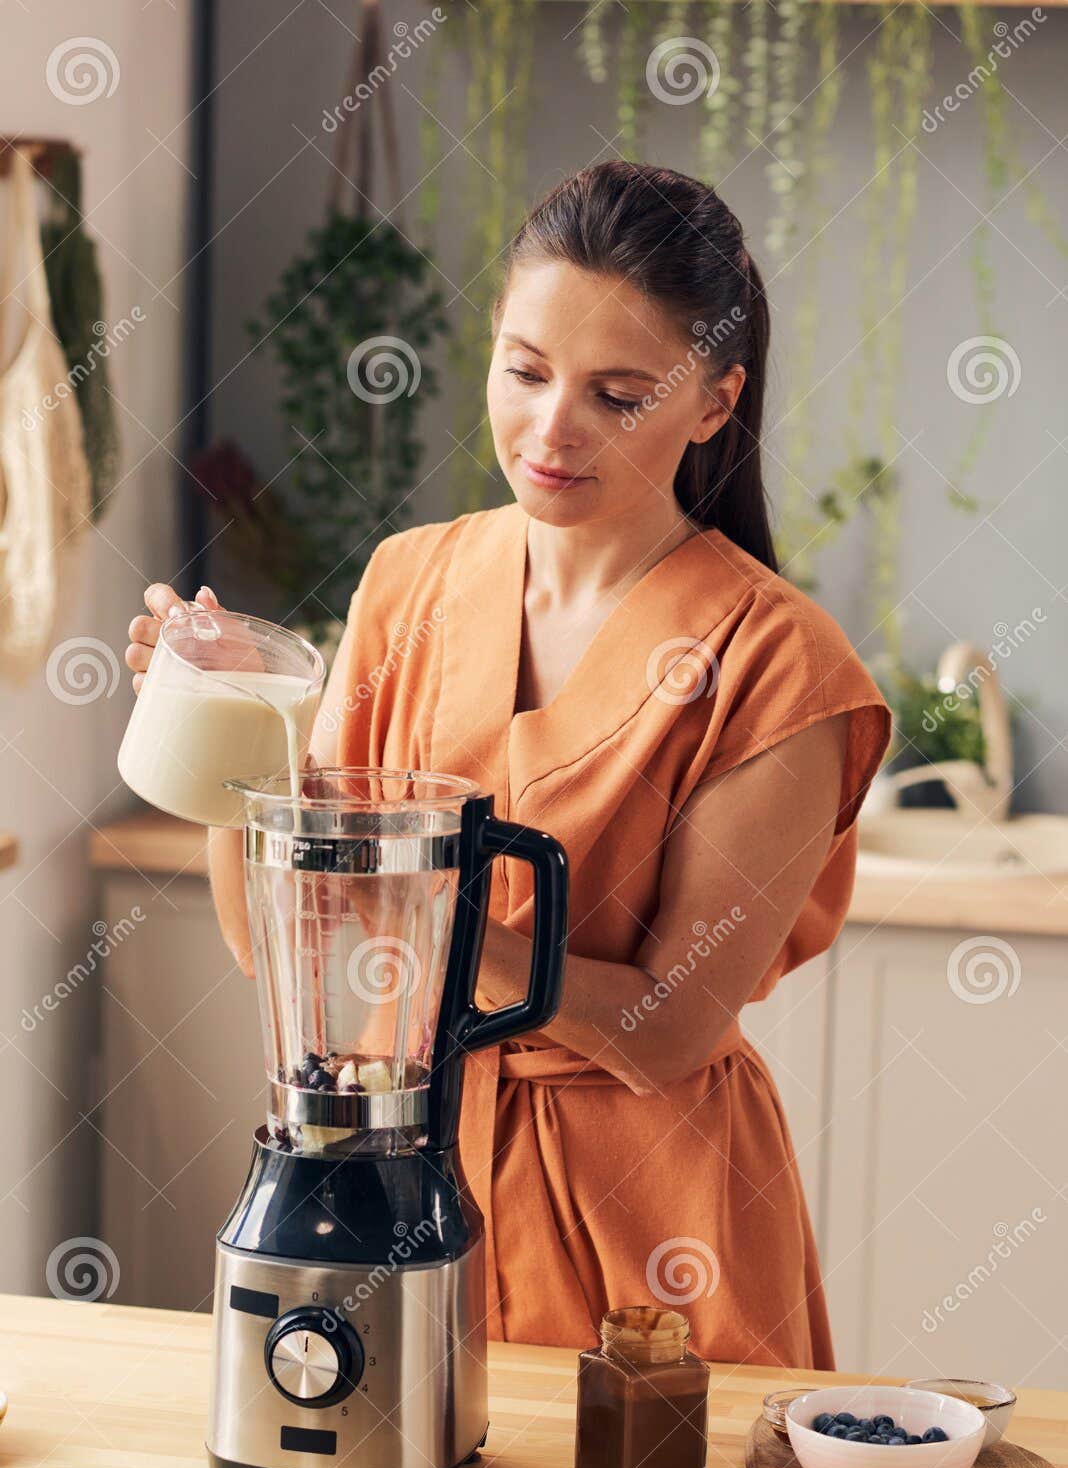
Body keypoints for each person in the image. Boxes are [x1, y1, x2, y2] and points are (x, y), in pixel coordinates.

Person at [127, 161, 891, 1368]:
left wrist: (428, 905)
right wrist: (235, 718)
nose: (551, 429)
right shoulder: (407, 584)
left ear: (712, 402)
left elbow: (664, 1026)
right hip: (393, 1179)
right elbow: (283, 940)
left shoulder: (779, 663)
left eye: (618, 394)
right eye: (526, 371)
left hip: (651, 1223)